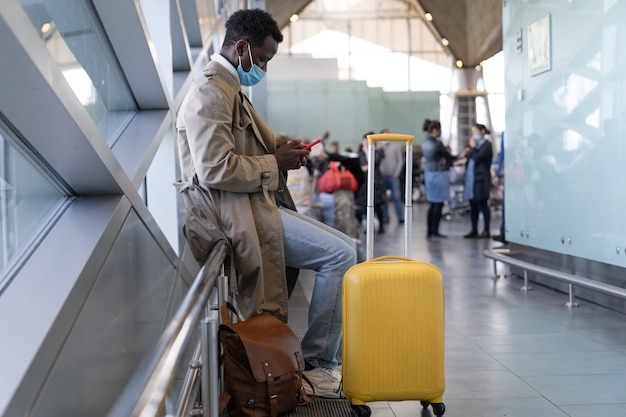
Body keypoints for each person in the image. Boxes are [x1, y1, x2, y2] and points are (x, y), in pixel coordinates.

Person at [174, 9, 356, 398]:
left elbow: (248, 144)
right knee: (340, 255)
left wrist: (281, 148)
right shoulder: (211, 92)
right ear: (241, 48)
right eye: (262, 59)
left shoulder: (230, 89)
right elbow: (214, 169)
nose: (263, 69)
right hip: (236, 214)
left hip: (254, 205)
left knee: (345, 250)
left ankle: (315, 362)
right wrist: (276, 162)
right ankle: (320, 365)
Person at [421, 119, 454, 238]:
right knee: (438, 204)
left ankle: (430, 231)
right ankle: (435, 231)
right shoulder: (437, 144)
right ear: (435, 130)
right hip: (439, 175)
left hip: (429, 174)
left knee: (432, 204)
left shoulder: (425, 143)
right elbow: (449, 157)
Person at [463, 123, 494, 238]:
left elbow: (477, 157)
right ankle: (474, 229)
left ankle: (486, 230)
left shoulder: (487, 145)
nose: (474, 134)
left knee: (483, 204)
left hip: (481, 180)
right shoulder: (475, 146)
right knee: (473, 206)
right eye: (473, 132)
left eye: (475, 131)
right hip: (472, 179)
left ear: (482, 131)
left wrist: (472, 147)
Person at [378, 129, 405, 224]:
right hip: (382, 176)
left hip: (393, 176)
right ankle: (386, 217)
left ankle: (400, 217)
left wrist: (397, 173)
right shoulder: (378, 146)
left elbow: (400, 161)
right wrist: (380, 148)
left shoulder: (396, 146)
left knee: (396, 197)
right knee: (383, 198)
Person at [492, 131, 507, 243]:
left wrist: (497, 175)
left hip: (513, 177)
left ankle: (505, 232)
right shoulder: (507, 134)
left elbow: (503, 156)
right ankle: (505, 231)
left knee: (507, 206)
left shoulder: (507, 134)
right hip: (513, 176)